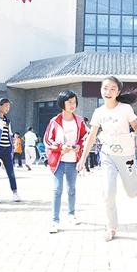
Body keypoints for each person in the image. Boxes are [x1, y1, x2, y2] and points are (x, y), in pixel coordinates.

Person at [78, 76, 137, 242]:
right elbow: (92, 136)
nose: (108, 92)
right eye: (105, 88)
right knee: (108, 193)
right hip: (107, 155)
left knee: (131, 193)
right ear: (101, 90)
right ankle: (111, 227)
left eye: (112, 89)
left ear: (118, 92)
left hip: (127, 155)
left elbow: (136, 126)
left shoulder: (125, 108)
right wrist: (83, 158)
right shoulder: (98, 112)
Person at [44, 90, 88, 233]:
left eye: (74, 102)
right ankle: (55, 221)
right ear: (62, 103)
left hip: (72, 161)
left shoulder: (79, 121)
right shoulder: (54, 121)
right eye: (69, 102)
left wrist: (79, 146)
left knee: (71, 189)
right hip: (58, 161)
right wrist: (60, 147)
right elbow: (47, 140)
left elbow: (85, 137)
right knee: (57, 190)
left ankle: (71, 214)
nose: (72, 105)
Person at [0, 98, 20, 202]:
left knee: (10, 171)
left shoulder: (7, 121)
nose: (8, 108)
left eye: (9, 106)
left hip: (7, 149)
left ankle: (15, 193)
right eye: (6, 106)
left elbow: (10, 134)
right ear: (0, 106)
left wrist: (12, 148)